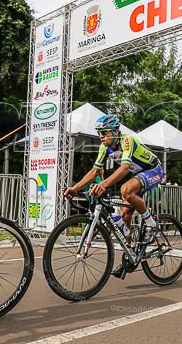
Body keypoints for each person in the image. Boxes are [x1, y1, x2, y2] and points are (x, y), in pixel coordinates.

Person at [63, 114, 164, 278]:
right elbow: (95, 171)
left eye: (104, 132)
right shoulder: (104, 147)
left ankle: (151, 223)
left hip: (153, 170)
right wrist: (75, 188)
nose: (101, 136)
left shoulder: (126, 141)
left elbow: (124, 168)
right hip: (138, 175)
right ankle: (130, 257)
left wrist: (104, 184)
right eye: (99, 133)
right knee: (124, 217)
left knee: (125, 190)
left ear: (116, 132)